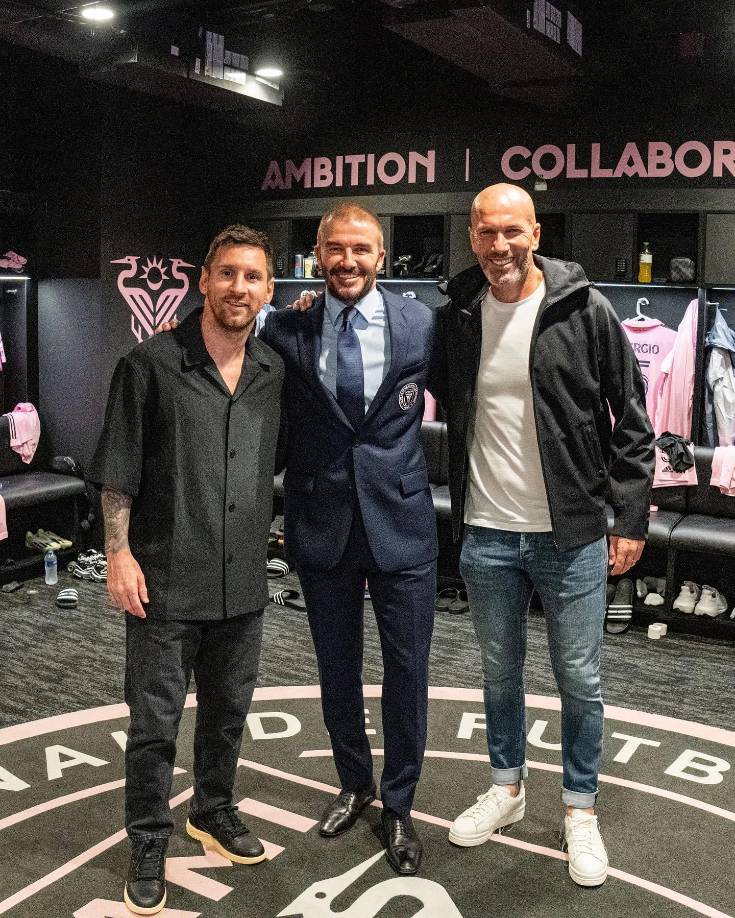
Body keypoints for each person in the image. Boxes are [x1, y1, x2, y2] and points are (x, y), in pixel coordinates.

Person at [430, 183, 654, 887]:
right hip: (487, 533)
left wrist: (628, 517)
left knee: (579, 679)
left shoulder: (583, 309)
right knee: (498, 674)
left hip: (573, 535)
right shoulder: (459, 314)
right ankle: (505, 787)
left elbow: (634, 420)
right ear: (471, 237)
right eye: (486, 233)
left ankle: (578, 807)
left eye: (512, 231)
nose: (500, 246)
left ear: (534, 231)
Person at [89, 225, 284, 915]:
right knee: (154, 725)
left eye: (252, 277)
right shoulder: (148, 365)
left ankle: (214, 809)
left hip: (242, 584)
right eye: (227, 273)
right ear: (203, 280)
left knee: (228, 715)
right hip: (166, 582)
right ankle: (147, 837)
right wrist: (118, 553)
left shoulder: (270, 370)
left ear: (267, 288)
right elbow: (116, 474)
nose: (239, 288)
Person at [260, 203, 437, 876]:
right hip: (320, 522)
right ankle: (354, 782)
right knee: (337, 671)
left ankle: (398, 804)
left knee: (408, 673)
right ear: (316, 253)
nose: (347, 261)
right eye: (335, 249)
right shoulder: (287, 327)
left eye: (360, 249)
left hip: (402, 524)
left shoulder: (423, 321)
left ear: (381, 255)